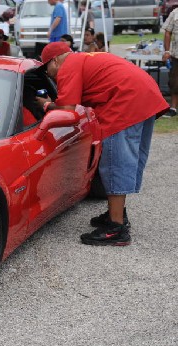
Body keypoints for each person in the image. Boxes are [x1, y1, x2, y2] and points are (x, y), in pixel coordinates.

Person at [35, 42, 168, 246]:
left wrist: (45, 105)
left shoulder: (68, 64)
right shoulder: (85, 58)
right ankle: (117, 214)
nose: (49, 74)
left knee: (115, 161)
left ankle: (116, 229)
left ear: (54, 60)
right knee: (126, 158)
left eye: (46, 69)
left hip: (126, 100)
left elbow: (67, 108)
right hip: (145, 94)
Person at [162, 7, 178, 117]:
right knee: (174, 82)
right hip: (176, 55)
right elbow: (167, 32)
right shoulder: (175, 13)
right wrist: (167, 51)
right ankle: (173, 108)